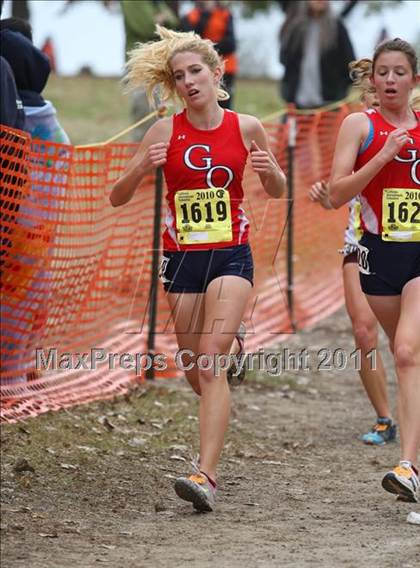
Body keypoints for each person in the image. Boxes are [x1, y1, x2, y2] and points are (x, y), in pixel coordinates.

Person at [110, 25, 286, 512]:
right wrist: (143, 167)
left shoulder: (247, 126)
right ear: (173, 86)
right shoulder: (163, 131)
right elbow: (116, 195)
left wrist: (274, 175)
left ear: (216, 72)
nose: (188, 81)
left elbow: (277, 190)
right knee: (198, 369)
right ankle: (227, 366)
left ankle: (205, 475)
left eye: (196, 71)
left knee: (208, 358)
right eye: (178, 75)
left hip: (232, 254)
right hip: (181, 260)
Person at [329, 38, 420, 503]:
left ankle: (408, 465)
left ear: (414, 80)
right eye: (383, 72)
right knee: (398, 348)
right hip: (378, 256)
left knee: (405, 352)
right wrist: (383, 156)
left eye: (399, 72)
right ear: (373, 78)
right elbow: (336, 193)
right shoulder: (358, 126)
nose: (390, 80)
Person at [309, 60, 397, 446]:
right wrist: (325, 196)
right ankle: (384, 418)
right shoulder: (359, 129)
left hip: (408, 246)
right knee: (363, 332)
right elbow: (338, 192)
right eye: (374, 90)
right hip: (360, 243)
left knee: (405, 341)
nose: (380, 96)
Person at [279, 0, 355, 109]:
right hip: (297, 106)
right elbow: (284, 60)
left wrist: (340, 92)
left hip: (329, 107)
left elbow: (351, 64)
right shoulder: (294, 27)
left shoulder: (337, 27)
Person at [121, 0, 178, 141]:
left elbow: (174, 21)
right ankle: (140, 158)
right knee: (145, 117)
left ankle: (159, 160)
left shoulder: (156, 2)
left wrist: (161, 19)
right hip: (141, 67)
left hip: (160, 64)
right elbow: (146, 27)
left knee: (160, 116)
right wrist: (162, 18)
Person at [180, 0, 237, 109]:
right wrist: (205, 15)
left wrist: (205, 46)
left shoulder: (225, 15)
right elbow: (190, 44)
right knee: (200, 105)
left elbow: (230, 45)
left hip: (225, 68)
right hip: (197, 69)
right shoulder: (189, 17)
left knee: (224, 105)